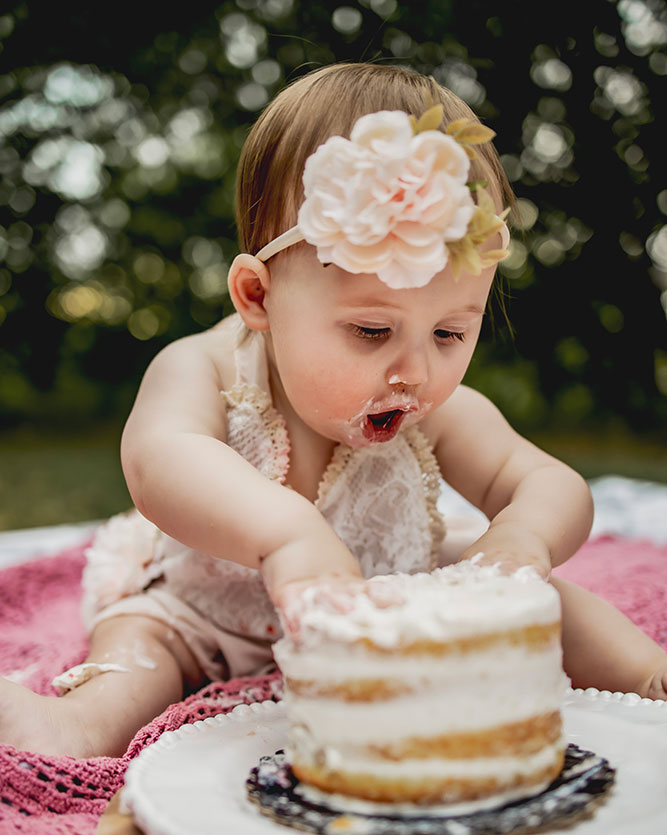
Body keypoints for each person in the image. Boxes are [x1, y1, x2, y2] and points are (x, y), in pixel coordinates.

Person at [1, 62, 665, 758]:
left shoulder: (432, 406)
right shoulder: (206, 368)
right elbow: (159, 461)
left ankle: (645, 678)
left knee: (537, 596)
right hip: (206, 619)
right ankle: (74, 725)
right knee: (140, 645)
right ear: (258, 297)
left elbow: (546, 482)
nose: (414, 371)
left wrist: (521, 540)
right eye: (371, 332)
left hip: (387, 611)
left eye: (448, 333)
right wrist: (289, 536)